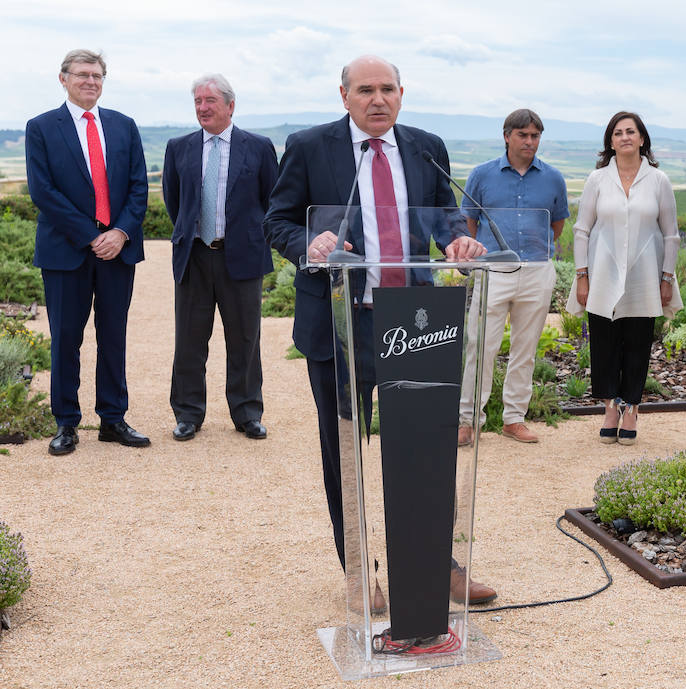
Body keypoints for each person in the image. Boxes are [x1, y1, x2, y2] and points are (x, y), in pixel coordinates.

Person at [263, 55, 495, 608]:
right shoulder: (309, 145)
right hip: (339, 322)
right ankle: (358, 575)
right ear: (343, 96)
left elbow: (440, 215)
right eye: (365, 90)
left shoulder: (425, 146)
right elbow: (278, 219)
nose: (378, 99)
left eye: (387, 89)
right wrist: (308, 245)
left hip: (414, 321)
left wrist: (455, 243)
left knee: (424, 450)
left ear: (401, 93)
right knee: (345, 451)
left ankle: (439, 565)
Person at [25, 49, 150, 456]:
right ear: (63, 79)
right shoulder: (41, 127)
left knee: (113, 336)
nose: (90, 82)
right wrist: (91, 235)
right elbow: (44, 192)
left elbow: (137, 187)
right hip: (66, 252)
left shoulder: (124, 126)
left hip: (119, 251)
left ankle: (113, 419)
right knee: (65, 338)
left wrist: (120, 233)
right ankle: (65, 423)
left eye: (97, 75)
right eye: (82, 75)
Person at [162, 74, 278, 442]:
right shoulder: (178, 147)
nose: (202, 107)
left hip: (241, 257)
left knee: (244, 339)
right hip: (194, 256)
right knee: (189, 340)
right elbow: (173, 201)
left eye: (210, 100)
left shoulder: (258, 147)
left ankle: (247, 413)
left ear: (230, 105)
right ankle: (188, 414)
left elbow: (271, 200)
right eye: (197, 101)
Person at [566, 112, 681, 445]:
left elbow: (671, 235)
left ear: (642, 139)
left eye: (631, 131)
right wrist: (582, 276)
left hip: (644, 278)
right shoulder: (596, 179)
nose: (625, 137)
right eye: (618, 133)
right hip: (601, 276)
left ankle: (630, 409)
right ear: (611, 141)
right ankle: (609, 409)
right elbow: (582, 231)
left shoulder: (658, 180)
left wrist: (666, 278)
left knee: (637, 344)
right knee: (603, 344)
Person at [457, 109, 569, 446]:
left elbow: (557, 225)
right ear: (507, 136)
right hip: (493, 269)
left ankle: (514, 419)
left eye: (535, 136)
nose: (530, 142)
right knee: (480, 345)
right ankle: (468, 421)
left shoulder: (553, 178)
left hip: (537, 271)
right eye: (523, 135)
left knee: (526, 349)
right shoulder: (481, 175)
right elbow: (469, 221)